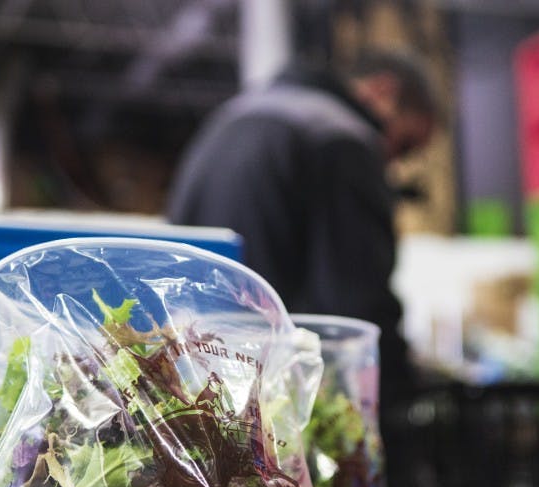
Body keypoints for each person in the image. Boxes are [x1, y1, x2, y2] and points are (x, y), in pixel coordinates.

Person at [167, 50, 439, 410]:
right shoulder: (341, 139)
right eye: (404, 146)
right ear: (383, 92)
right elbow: (355, 305)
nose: (395, 162)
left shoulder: (229, 117)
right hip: (280, 402)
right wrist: (399, 387)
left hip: (195, 384)